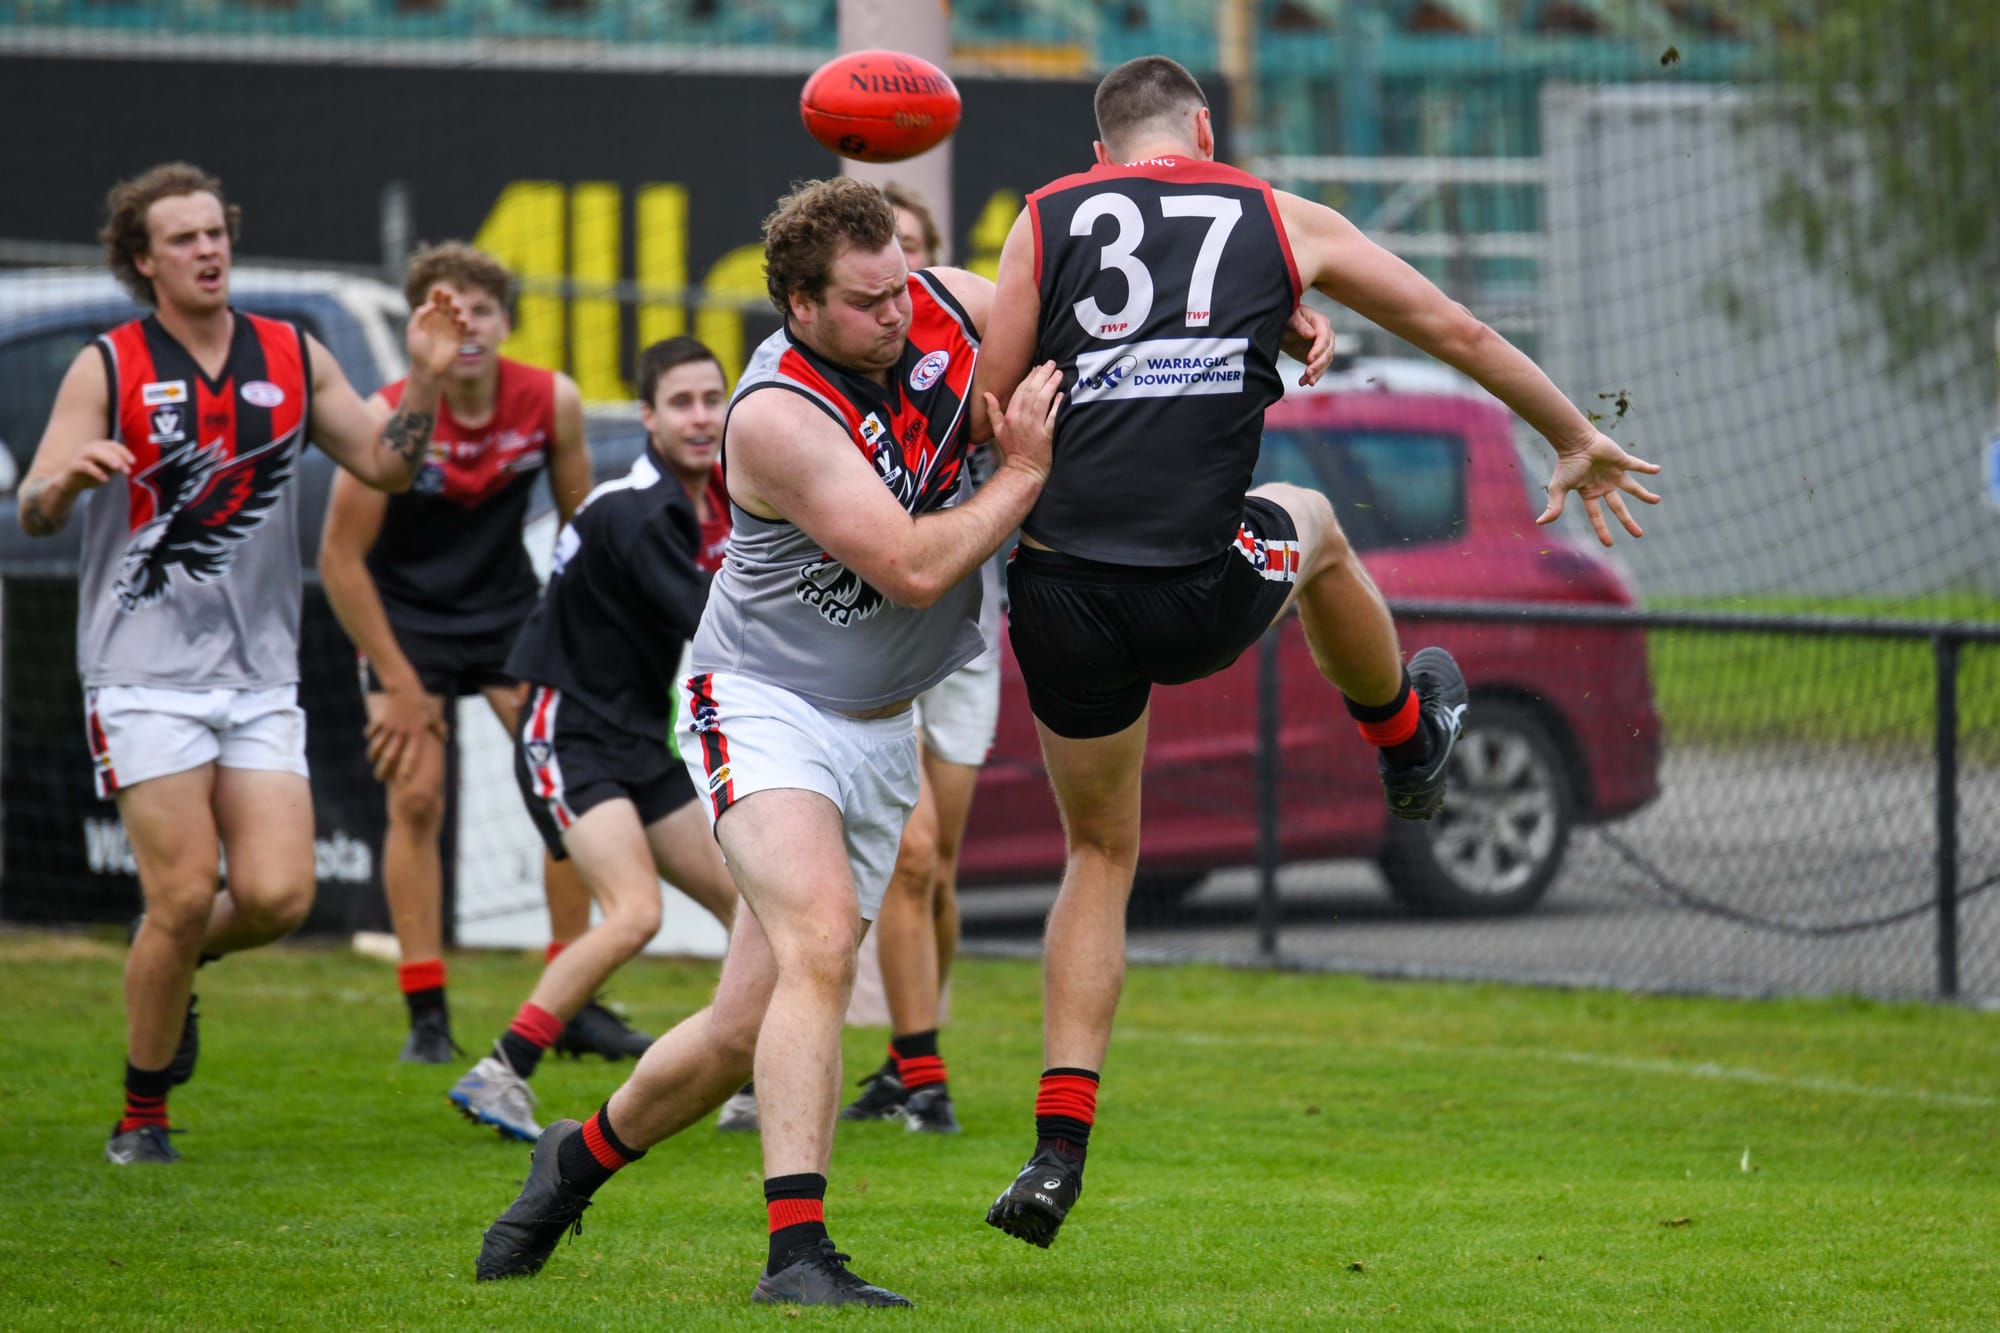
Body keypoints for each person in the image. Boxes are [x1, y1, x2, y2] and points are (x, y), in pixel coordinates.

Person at [973, 55, 1664, 1248]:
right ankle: (1404, 741)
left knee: (1098, 851)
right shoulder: (1278, 218)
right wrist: (1569, 432)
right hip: (1196, 589)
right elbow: (1450, 325)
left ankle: (1054, 1150)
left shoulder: (1044, 217)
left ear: (1103, 153)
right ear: (1201, 128)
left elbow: (995, 411)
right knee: (1316, 523)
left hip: (1064, 594)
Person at [471, 177, 1078, 1307]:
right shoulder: (777, 414)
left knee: (736, 1027)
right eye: (865, 302)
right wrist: (1028, 472)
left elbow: (1079, 313)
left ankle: (576, 1159)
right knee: (816, 946)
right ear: (800, 306)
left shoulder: (936, 299)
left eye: (900, 285)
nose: (898, 314)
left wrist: (1270, 325)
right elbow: (910, 564)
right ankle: (796, 1254)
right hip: (760, 703)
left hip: (876, 722)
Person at [15, 161, 470, 1165]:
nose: (208, 249)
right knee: (179, 896)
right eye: (182, 238)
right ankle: (142, 1116)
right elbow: (35, 502)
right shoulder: (109, 364)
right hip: (139, 669)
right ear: (143, 261)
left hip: (258, 674)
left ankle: (171, 969)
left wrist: (427, 376)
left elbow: (385, 463)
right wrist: (67, 480)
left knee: (276, 898)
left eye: (215, 231)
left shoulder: (289, 354)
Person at [318, 241, 627, 1065]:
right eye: (446, 314)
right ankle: (426, 1013)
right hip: (403, 621)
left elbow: (578, 534)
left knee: (561, 789)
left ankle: (569, 999)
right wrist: (398, 679)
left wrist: (583, 638)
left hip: (505, 615)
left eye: (482, 310)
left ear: (507, 321)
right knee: (415, 798)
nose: (467, 328)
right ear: (423, 329)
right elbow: (338, 561)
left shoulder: (549, 401)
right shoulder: (390, 417)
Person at [444, 335, 741, 1142]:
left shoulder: (714, 497)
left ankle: (748, 1072)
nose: (701, 416)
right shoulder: (638, 509)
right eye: (680, 402)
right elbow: (713, 624)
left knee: (750, 905)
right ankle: (501, 1070)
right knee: (635, 910)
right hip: (566, 727)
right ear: (646, 416)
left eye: (713, 398)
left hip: (636, 736)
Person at [836, 181, 1005, 1135]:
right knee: (915, 853)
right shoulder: (848, 371)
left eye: (911, 259)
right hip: (883, 629)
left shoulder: (976, 337)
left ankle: (912, 1054)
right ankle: (925, 1071)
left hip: (972, 635)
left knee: (938, 873)